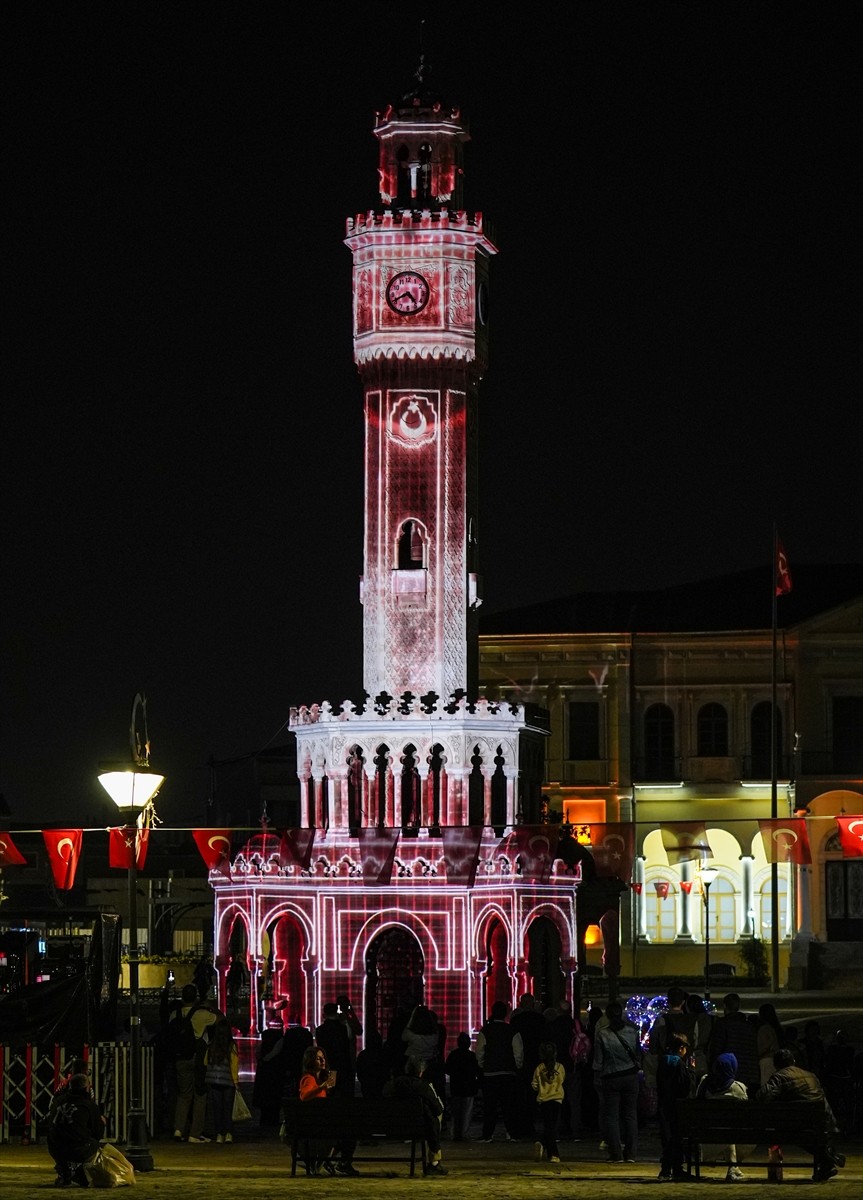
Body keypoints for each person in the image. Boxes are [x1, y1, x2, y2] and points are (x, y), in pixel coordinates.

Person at [755, 1048, 846, 1182]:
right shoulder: (811, 1075)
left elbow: (763, 1097)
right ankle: (827, 1158)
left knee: (787, 1131)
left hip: (803, 1125)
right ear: (794, 1061)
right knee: (803, 1131)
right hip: (824, 1123)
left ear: (776, 1065)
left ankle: (827, 1158)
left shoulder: (779, 1076)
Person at [170, 982, 220, 1142]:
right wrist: (209, 1007)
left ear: (182, 997)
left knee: (184, 1095)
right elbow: (220, 1020)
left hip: (180, 1058)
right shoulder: (202, 1014)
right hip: (198, 1058)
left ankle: (178, 1129)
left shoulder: (174, 1015)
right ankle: (195, 1133)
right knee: (200, 1095)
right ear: (196, 997)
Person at [592, 999, 640, 1165]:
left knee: (611, 1116)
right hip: (630, 1075)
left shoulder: (603, 1033)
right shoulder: (632, 1031)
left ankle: (616, 1154)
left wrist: (597, 1075)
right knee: (630, 1115)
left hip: (611, 1075)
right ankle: (631, 1153)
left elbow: (598, 1059)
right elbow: (638, 1053)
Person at [384, 1055, 448, 1175]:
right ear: (421, 1072)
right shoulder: (423, 1086)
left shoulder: (391, 1086)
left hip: (390, 1127)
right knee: (435, 1116)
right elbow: (439, 1109)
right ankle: (434, 1161)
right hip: (418, 1129)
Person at [695, 1051, 750, 1181]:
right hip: (733, 1135)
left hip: (706, 1135)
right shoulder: (738, 1089)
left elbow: (697, 1099)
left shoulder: (705, 1082)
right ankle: (733, 1167)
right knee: (730, 1128)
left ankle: (733, 1167)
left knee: (725, 1127)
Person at [475, 1000, 524, 1142]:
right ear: (506, 1014)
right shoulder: (512, 1031)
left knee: (490, 1107)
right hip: (508, 1073)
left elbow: (479, 1052)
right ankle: (512, 1133)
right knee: (509, 1106)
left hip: (490, 1074)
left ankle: (487, 1134)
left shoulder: (486, 1030)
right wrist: (516, 1067)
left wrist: (483, 1065)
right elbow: (518, 1052)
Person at [46, 1072, 105, 1188]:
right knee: (94, 1144)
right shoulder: (89, 1105)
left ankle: (63, 1169)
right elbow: (97, 1133)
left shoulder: (58, 1101)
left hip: (54, 1147)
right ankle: (80, 1171)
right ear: (86, 1088)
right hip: (78, 1149)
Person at [655, 1032, 695, 1182]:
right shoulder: (678, 1063)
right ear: (681, 1048)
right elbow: (686, 1087)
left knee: (668, 1137)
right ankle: (672, 1168)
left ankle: (668, 1169)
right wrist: (691, 1070)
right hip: (677, 1106)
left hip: (665, 1104)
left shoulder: (663, 1061)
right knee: (675, 1137)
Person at [298, 1044, 339, 1176]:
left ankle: (322, 1163)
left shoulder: (322, 1077)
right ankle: (323, 1162)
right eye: (317, 1059)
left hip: (318, 1122)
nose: (322, 1061)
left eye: (323, 1058)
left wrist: (328, 1086)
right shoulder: (309, 1079)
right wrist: (321, 1087)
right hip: (313, 1123)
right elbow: (304, 1096)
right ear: (310, 1061)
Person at [707, 993, 759, 1096]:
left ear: (725, 1006)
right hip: (750, 1074)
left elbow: (716, 1048)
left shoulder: (722, 1024)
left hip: (729, 1075)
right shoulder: (749, 1026)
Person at [510, 993, 545, 1138]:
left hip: (521, 1062)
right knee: (533, 1094)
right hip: (536, 1060)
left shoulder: (516, 1020)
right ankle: (531, 1125)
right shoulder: (540, 1020)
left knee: (520, 1095)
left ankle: (521, 1125)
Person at [204, 1016, 239, 1144]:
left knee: (217, 1108)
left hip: (214, 1081)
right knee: (228, 1108)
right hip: (228, 1081)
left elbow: (206, 1061)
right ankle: (229, 1133)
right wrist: (236, 1081)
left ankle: (219, 1134)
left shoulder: (212, 1045)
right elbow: (234, 1064)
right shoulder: (231, 1046)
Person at [531, 1039, 565, 1164]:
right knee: (553, 1128)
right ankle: (553, 1153)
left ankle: (543, 1144)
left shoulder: (539, 1068)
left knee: (548, 1126)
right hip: (556, 1100)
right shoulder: (560, 1067)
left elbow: (534, 1085)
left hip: (544, 1100)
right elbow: (562, 1080)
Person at [445, 1031, 480, 1141]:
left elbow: (448, 1069)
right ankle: (464, 1133)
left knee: (456, 1113)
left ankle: (456, 1133)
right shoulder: (472, 1056)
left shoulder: (453, 1055)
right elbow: (477, 1071)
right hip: (469, 1087)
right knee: (467, 1112)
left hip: (456, 1087)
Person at [315, 1001, 354, 1097]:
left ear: (324, 1014)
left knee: (330, 1093)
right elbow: (350, 1038)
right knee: (344, 1095)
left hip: (329, 1066)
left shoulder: (320, 1030)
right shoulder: (342, 1028)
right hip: (342, 1066)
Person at [755, 1002, 785, 1086]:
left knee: (767, 1086)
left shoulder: (764, 1029)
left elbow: (763, 1047)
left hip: (766, 1060)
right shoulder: (775, 1029)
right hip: (775, 1060)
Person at [356, 1028, 391, 1099]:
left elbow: (359, 1070)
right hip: (378, 1084)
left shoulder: (363, 1055)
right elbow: (386, 1070)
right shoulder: (382, 1055)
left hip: (366, 1083)